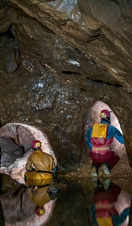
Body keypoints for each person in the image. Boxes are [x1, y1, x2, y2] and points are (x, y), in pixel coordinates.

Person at [86, 109, 124, 177]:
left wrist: (93, 148)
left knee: (97, 159)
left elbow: (88, 140)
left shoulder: (92, 128)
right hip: (105, 155)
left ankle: (95, 166)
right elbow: (122, 140)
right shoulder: (111, 128)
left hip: (94, 154)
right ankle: (107, 165)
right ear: (108, 117)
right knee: (116, 157)